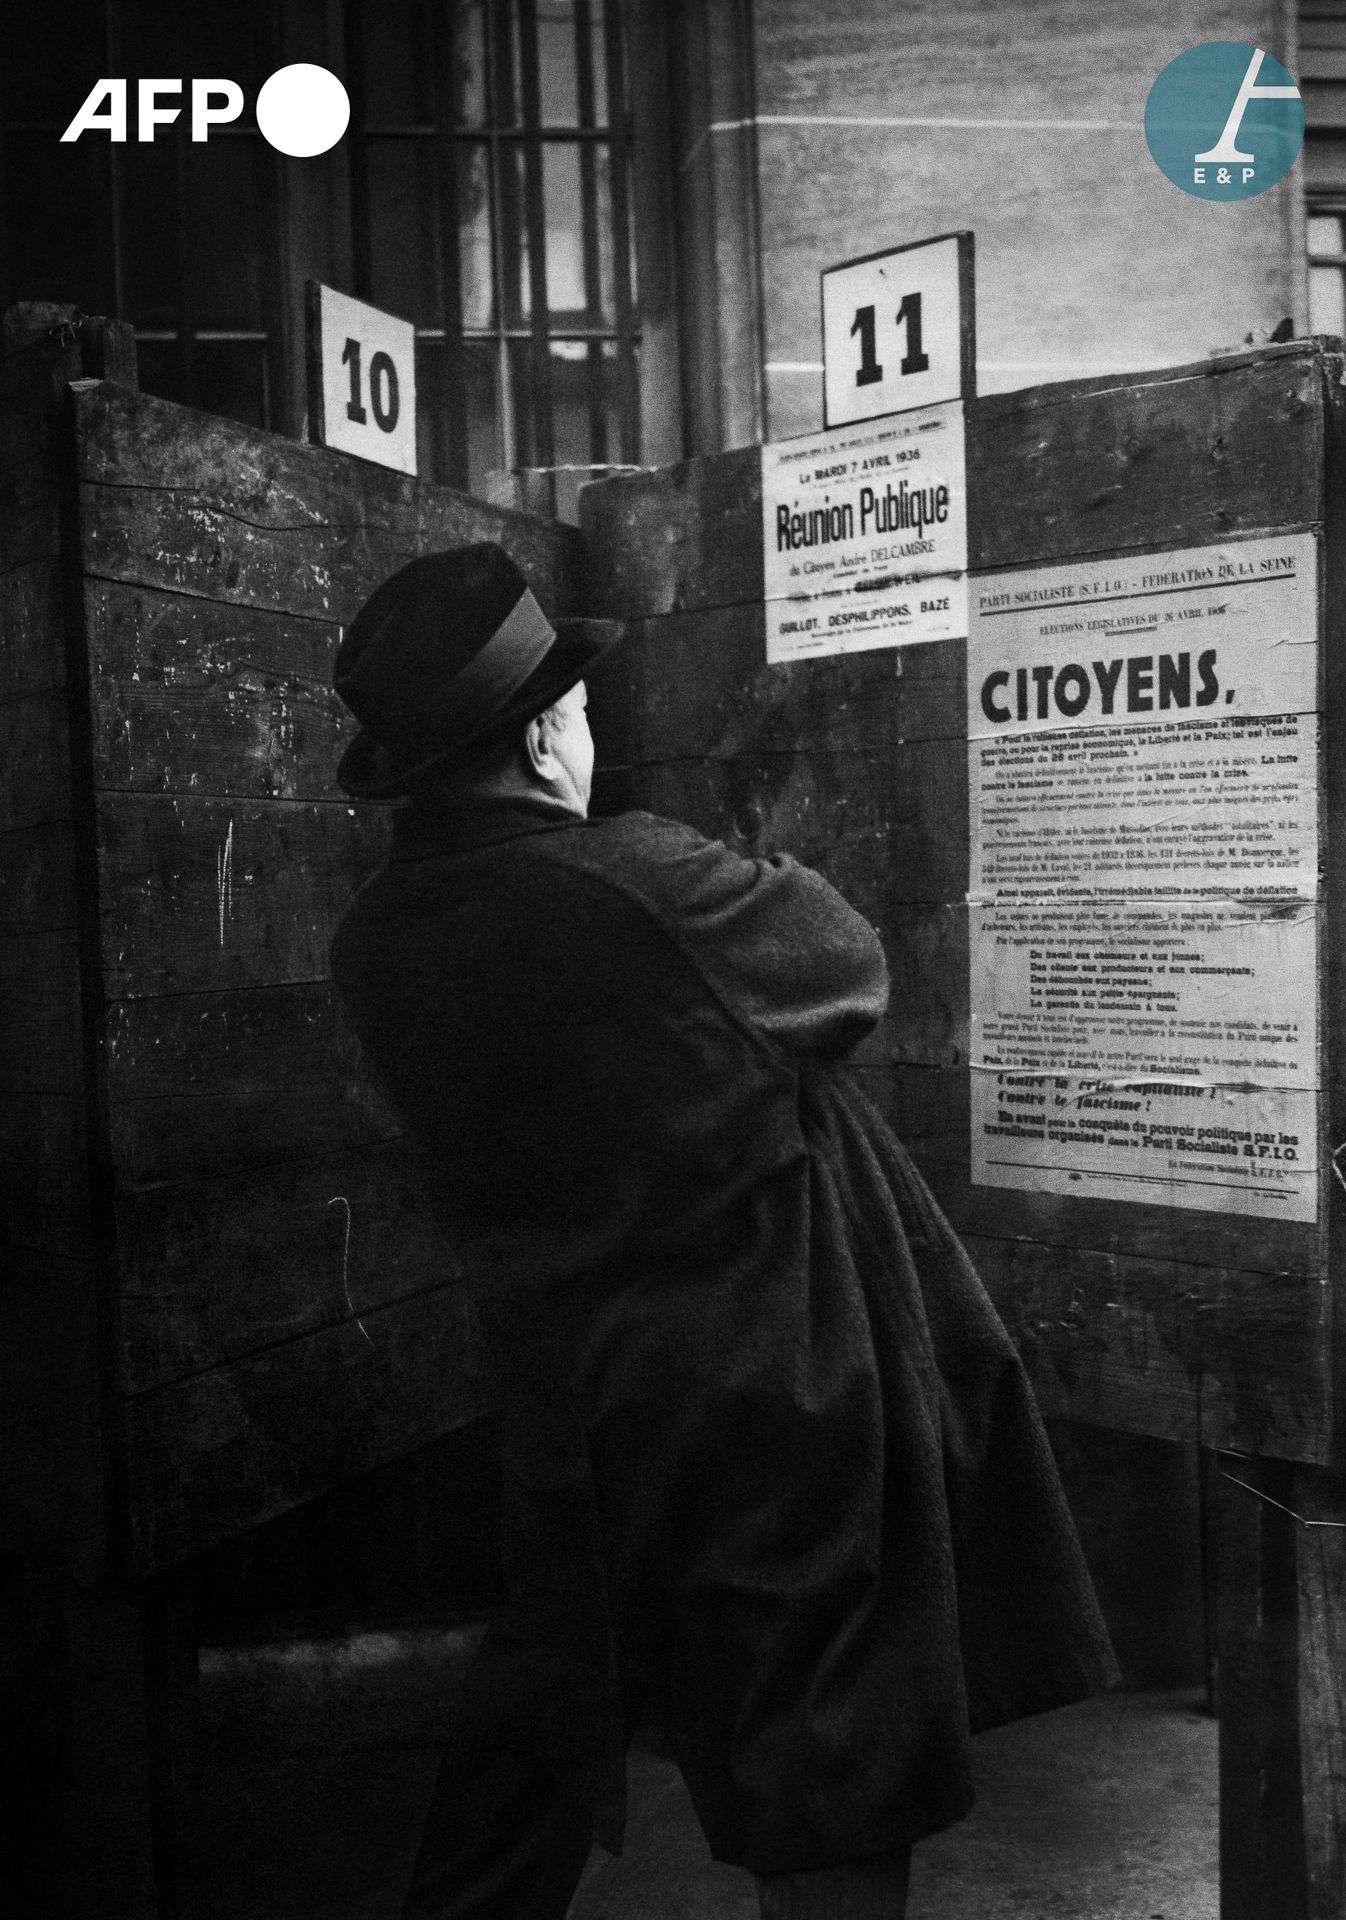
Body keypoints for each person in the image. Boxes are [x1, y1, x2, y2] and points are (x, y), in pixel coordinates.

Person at [329, 543, 1118, 1920]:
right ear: (539, 733)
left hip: (577, 1406)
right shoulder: (636, 881)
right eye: (574, 709)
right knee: (827, 1762)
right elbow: (844, 962)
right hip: (768, 1387)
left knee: (532, 1748)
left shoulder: (378, 937)